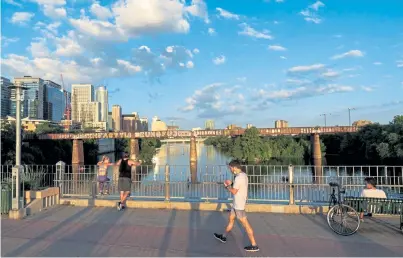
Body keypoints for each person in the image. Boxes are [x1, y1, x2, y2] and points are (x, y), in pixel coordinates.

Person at [214, 160, 259, 252]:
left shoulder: (239, 178)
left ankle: (254, 245)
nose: (230, 169)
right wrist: (231, 184)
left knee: (246, 225)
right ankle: (223, 236)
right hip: (236, 205)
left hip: (239, 206)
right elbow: (238, 187)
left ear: (234, 167)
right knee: (231, 219)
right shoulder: (243, 175)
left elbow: (234, 191)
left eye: (230, 168)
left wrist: (227, 186)